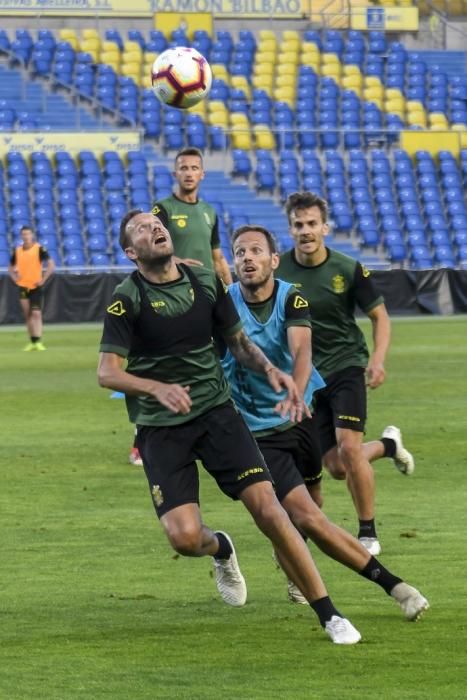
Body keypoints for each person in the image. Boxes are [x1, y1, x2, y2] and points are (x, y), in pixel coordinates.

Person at [97, 209, 362, 645]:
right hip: (162, 428)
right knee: (183, 538)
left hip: (218, 414)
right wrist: (155, 388)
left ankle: (329, 614)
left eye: (157, 223)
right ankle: (221, 547)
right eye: (143, 228)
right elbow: (107, 372)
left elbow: (237, 343)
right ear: (131, 252)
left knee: (269, 509)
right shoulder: (127, 299)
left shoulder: (205, 282)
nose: (156, 227)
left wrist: (271, 370)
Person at [221, 224, 428, 622]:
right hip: (258, 431)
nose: (247, 258)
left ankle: (291, 552)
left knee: (313, 502)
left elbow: (302, 351)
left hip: (300, 414)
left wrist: (296, 392)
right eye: (240, 252)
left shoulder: (291, 298)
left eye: (255, 251)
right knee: (308, 517)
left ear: (272, 260)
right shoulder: (224, 304)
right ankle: (395, 587)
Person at [277, 192, 414, 556]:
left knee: (350, 447)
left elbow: (379, 317)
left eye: (311, 224)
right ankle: (388, 446)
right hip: (307, 378)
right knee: (337, 466)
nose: (305, 231)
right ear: (289, 229)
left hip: (346, 365)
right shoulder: (278, 273)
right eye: (298, 225)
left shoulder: (348, 269)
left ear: (325, 227)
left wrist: (378, 360)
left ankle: (367, 532)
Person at [128, 147, 233, 466]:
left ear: (202, 174)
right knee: (163, 365)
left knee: (213, 362)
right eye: (183, 167)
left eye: (194, 168)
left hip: (206, 297)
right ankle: (140, 439)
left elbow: (217, 257)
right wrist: (176, 262)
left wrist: (230, 286)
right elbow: (148, 242)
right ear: (175, 174)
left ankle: (207, 431)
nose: (188, 172)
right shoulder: (164, 208)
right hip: (169, 295)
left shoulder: (210, 212)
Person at [8, 225, 55, 351]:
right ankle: (32, 341)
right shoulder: (17, 251)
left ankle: (38, 340)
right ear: (21, 236)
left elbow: (51, 264)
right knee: (28, 314)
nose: (26, 236)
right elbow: (10, 268)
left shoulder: (39, 249)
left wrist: (43, 279)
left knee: (36, 313)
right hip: (23, 286)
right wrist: (15, 278)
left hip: (35, 286)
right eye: (24, 234)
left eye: (28, 234)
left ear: (32, 235)